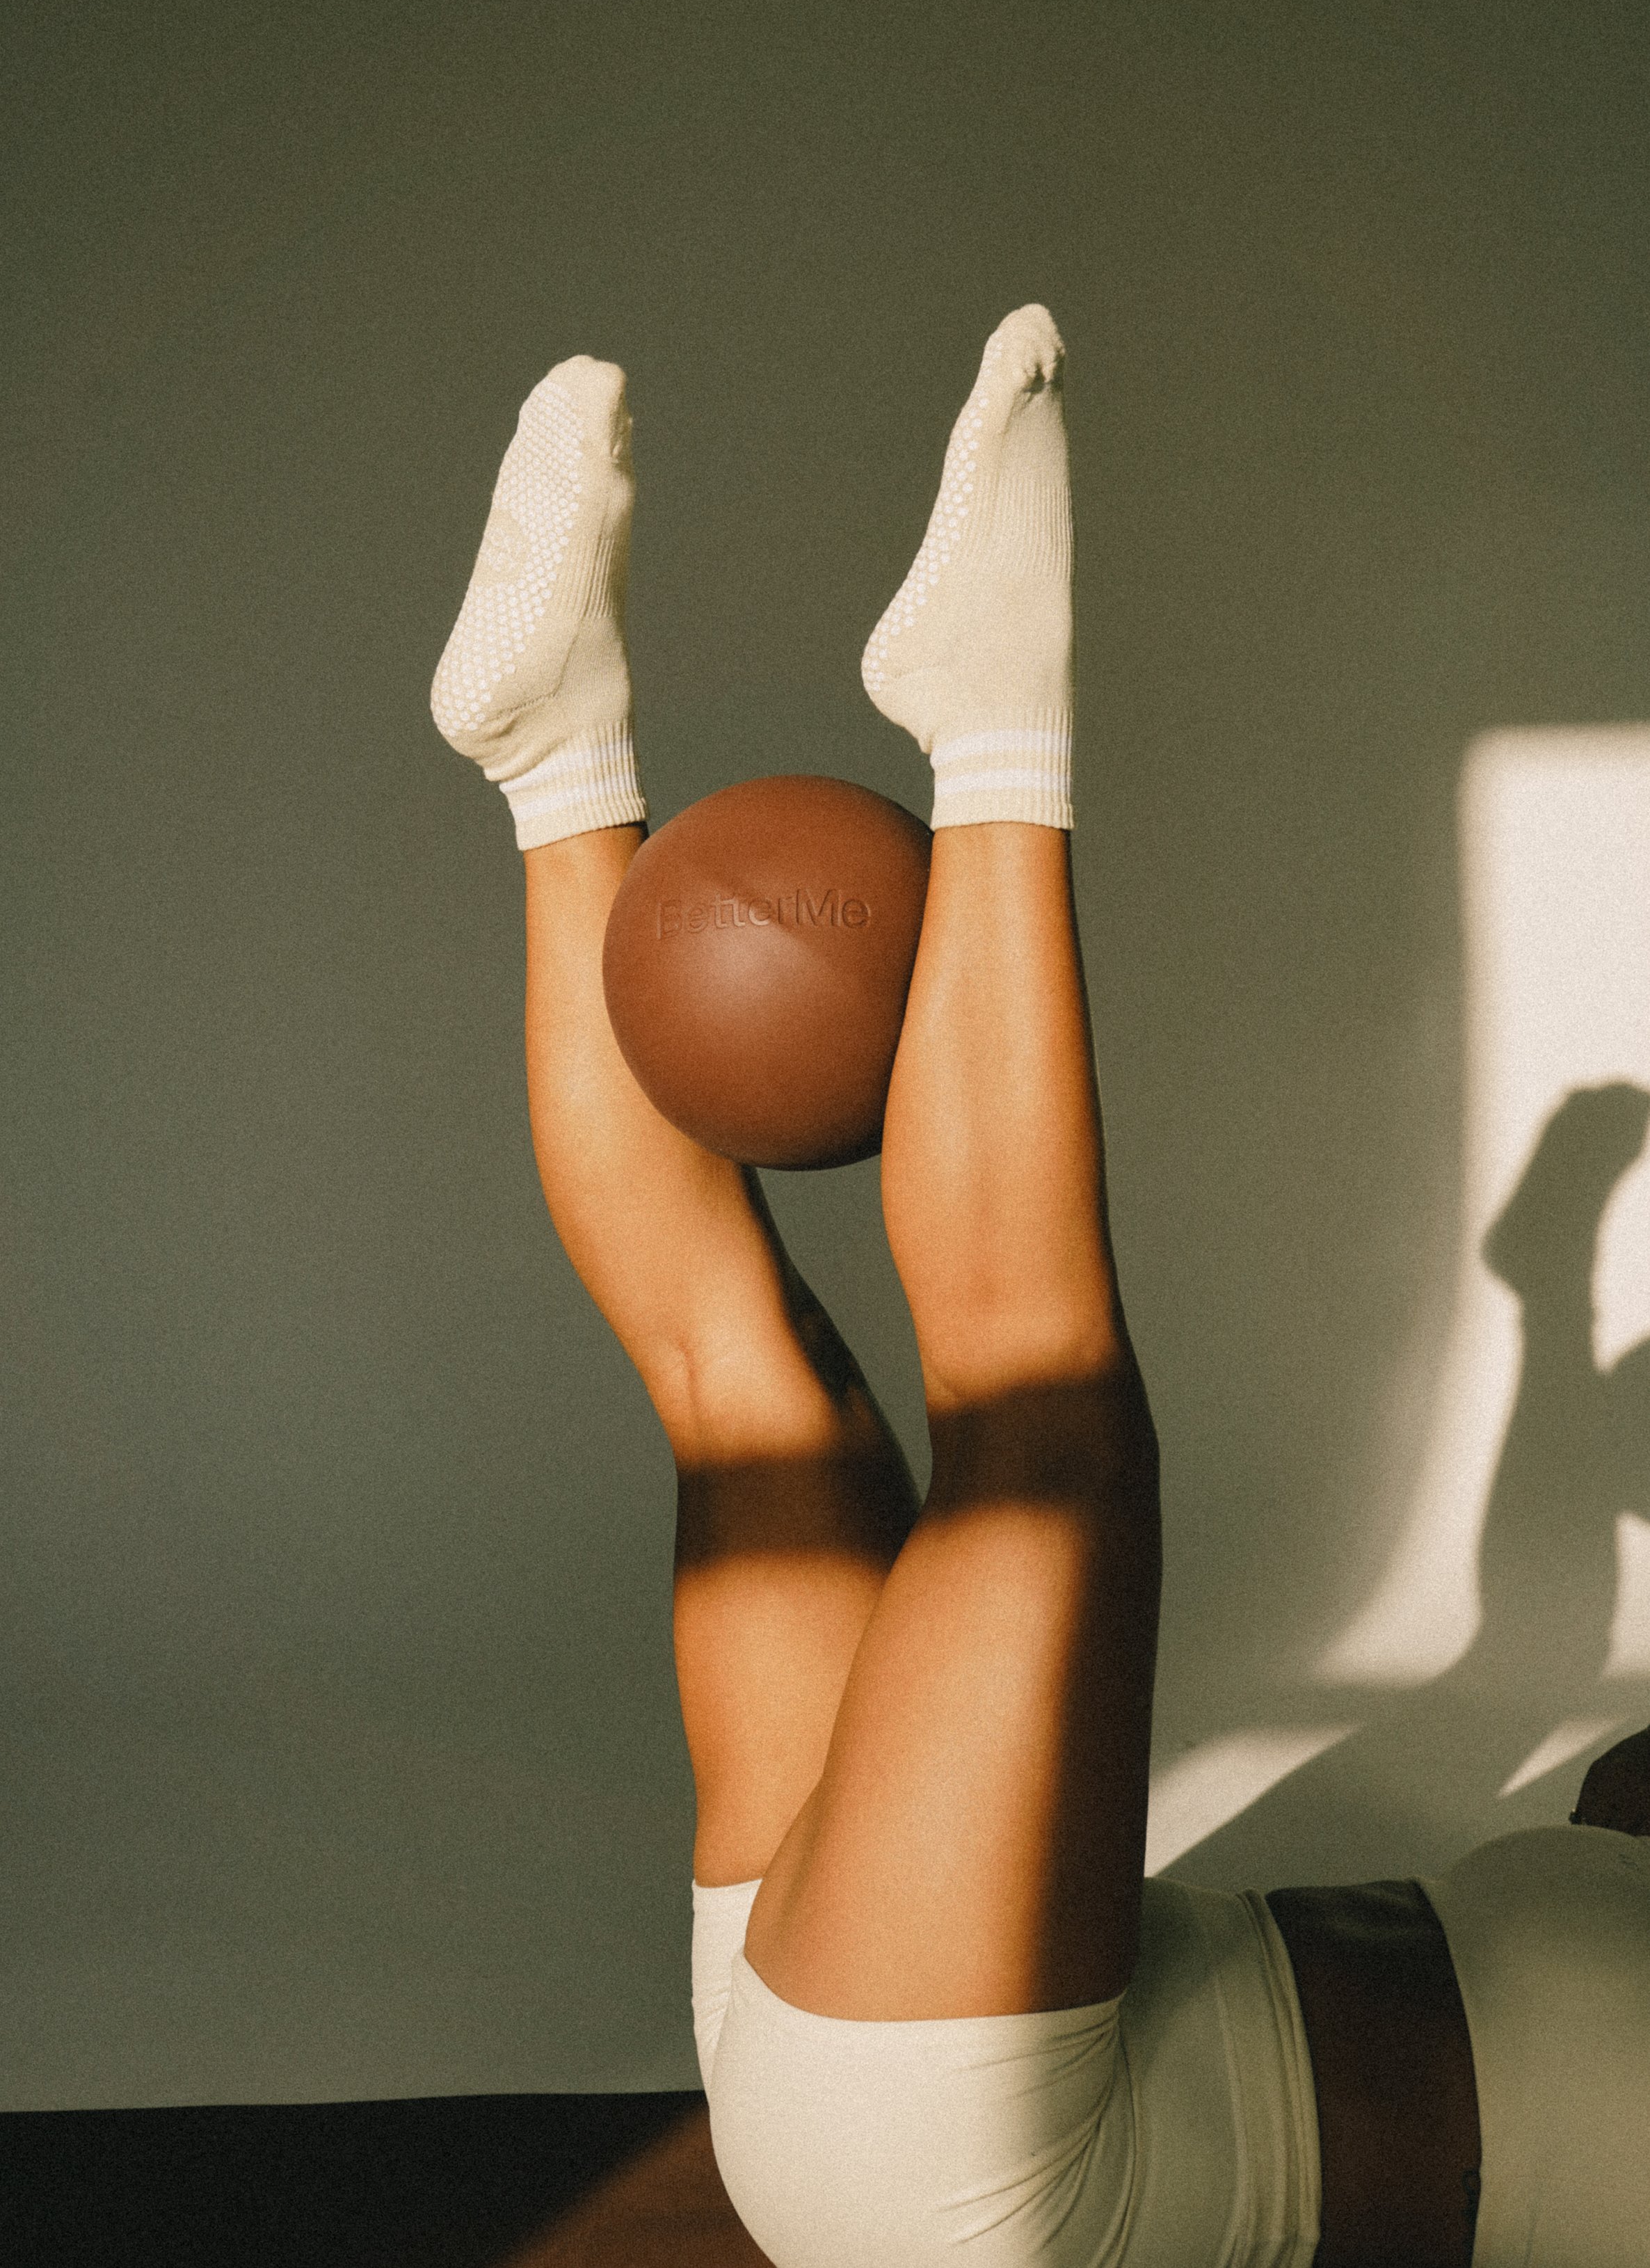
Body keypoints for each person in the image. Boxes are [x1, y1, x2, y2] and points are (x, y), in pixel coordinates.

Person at [430, 310, 1650, 2268]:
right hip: (877, 2009)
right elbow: (1581, 1691)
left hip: (991, 2174)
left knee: (1042, 1427)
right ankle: (549, 767)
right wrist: (1549, 1326)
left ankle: (1001, 728)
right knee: (744, 1390)